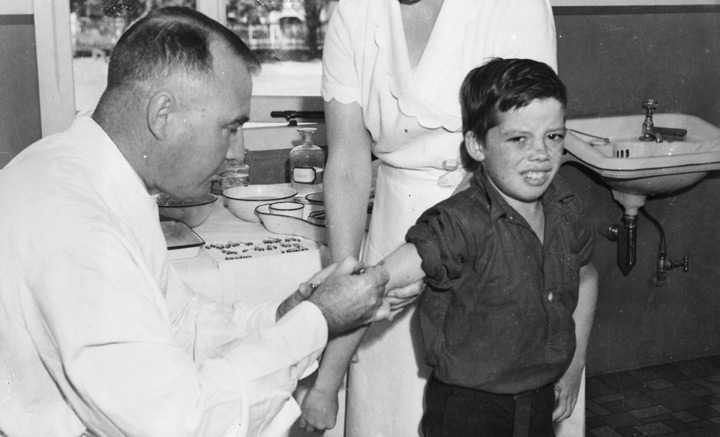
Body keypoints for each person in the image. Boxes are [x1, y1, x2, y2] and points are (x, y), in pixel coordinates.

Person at [0, 7, 389, 437]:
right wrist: (317, 319)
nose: (238, 154)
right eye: (231, 127)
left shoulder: (96, 173)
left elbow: (177, 322)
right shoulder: (78, 225)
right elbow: (180, 421)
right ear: (162, 114)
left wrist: (284, 315)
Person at [300, 0, 563, 435]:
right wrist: (349, 284)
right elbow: (347, 159)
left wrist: (431, 254)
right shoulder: (355, 11)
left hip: (489, 228)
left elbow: (517, 145)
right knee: (388, 414)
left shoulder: (518, 6)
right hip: (392, 230)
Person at [374, 58, 598, 436]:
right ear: (477, 145)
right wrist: (366, 286)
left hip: (538, 397)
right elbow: (390, 273)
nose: (541, 154)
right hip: (468, 409)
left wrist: (575, 365)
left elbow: (586, 276)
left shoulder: (565, 208)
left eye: (553, 136)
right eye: (518, 139)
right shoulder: (461, 221)